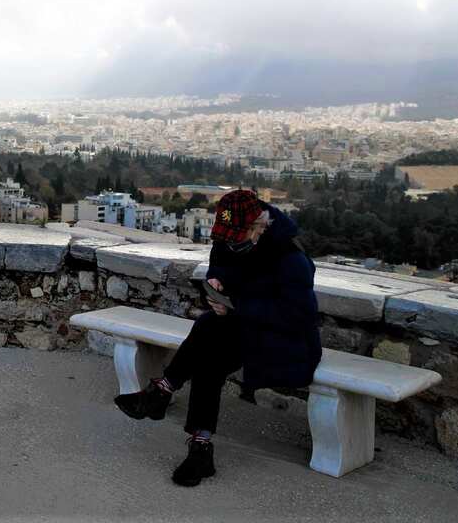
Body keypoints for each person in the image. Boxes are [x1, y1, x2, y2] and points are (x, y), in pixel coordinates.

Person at [113, 189, 321, 487]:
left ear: (258, 227)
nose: (228, 243)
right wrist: (215, 282)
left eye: (236, 238)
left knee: (208, 336)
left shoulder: (290, 257)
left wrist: (237, 305)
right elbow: (220, 265)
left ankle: (166, 396)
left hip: (281, 337)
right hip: (238, 326)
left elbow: (299, 316)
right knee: (209, 344)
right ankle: (198, 443)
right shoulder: (229, 240)